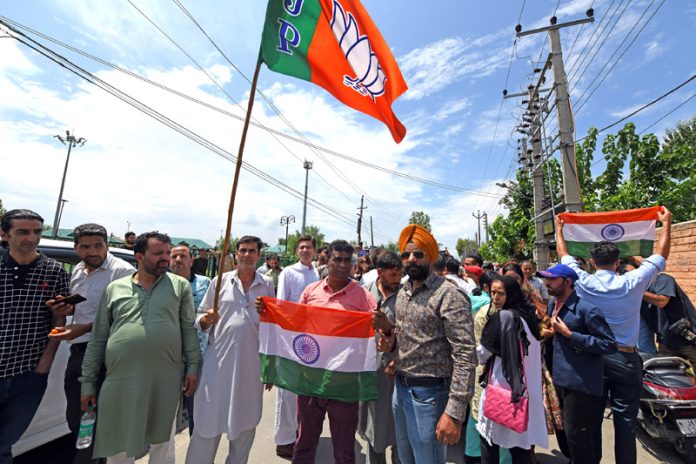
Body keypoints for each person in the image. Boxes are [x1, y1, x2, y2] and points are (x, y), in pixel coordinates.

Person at [555, 207, 672, 464]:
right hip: (626, 359)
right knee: (626, 423)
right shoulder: (633, 282)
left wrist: (559, 228)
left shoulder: (583, 280)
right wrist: (666, 223)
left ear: (593, 262)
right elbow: (661, 255)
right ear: (618, 262)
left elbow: (564, 255)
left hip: (594, 359)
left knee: (593, 420)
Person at [80, 232, 201, 464]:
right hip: (122, 377)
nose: (166, 258)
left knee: (162, 441)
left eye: (167, 252)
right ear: (139, 256)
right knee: (119, 440)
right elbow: (99, 338)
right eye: (158, 253)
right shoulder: (115, 288)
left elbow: (188, 329)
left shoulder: (180, 286)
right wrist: (87, 382)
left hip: (166, 376)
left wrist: (192, 367)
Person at [380, 224, 476, 464]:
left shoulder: (449, 295)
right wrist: (392, 345)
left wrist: (453, 412)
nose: (411, 259)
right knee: (406, 458)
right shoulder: (403, 292)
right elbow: (406, 338)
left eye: (418, 254)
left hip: (430, 396)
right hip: (400, 391)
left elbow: (465, 355)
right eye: (405, 255)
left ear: (431, 256)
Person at [284, 239, 377, 464]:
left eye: (347, 261)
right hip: (311, 378)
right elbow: (296, 324)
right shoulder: (310, 291)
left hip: (344, 382)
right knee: (304, 443)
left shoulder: (363, 297)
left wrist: (382, 324)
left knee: (344, 449)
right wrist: (268, 311)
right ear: (328, 260)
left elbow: (376, 330)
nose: (343, 265)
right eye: (338, 259)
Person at [48, 223, 135, 464]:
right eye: (85, 247)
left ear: (107, 245)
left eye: (98, 245)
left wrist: (83, 328)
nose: (93, 251)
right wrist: (65, 307)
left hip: (105, 353)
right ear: (76, 248)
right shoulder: (78, 270)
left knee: (90, 420)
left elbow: (124, 318)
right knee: (76, 418)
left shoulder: (122, 272)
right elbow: (83, 308)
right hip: (78, 351)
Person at [185, 236, 274, 464]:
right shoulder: (220, 282)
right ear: (235, 254)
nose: (246, 254)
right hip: (218, 363)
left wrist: (270, 366)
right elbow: (200, 318)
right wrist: (206, 320)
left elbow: (273, 327)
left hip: (250, 365)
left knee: (244, 423)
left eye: (251, 251)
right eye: (242, 250)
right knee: (207, 422)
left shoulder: (267, 285)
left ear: (258, 254)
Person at [0, 209, 71, 464]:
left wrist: (45, 363)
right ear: (4, 234)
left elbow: (59, 319)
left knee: (5, 444)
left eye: (37, 232)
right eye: (23, 232)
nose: (32, 238)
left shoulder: (54, 271)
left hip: (28, 373)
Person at [538, 264, 616, 464]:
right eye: (546, 279)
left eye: (552, 279)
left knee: (578, 435)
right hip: (558, 378)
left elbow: (608, 344)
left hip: (580, 382)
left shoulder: (587, 310)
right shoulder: (552, 305)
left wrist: (571, 335)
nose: (547, 283)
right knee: (564, 432)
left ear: (568, 282)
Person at [476, 276, 547, 463]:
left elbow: (482, 355)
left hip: (502, 393)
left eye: (501, 293)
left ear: (512, 294)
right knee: (520, 445)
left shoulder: (502, 317)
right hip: (526, 392)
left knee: (489, 441)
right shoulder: (529, 317)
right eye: (493, 292)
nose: (496, 298)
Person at [272, 235, 320, 458]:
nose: (304, 250)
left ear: (314, 250)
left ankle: (298, 435)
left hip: (311, 339)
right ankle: (284, 441)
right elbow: (281, 305)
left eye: (308, 247)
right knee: (287, 392)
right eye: (301, 247)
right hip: (290, 337)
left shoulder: (315, 272)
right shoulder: (288, 273)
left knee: (304, 391)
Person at [359, 251, 402, 464]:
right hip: (369, 374)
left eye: (399, 275)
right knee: (373, 428)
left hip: (397, 374)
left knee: (399, 433)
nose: (397, 279)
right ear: (379, 272)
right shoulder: (364, 294)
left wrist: (391, 332)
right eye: (393, 275)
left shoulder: (405, 296)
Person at [169, 241, 211, 435]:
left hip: (197, 354)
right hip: (167, 355)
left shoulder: (205, 284)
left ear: (192, 260)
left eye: (183, 256)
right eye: (174, 256)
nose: (178, 260)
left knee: (197, 411)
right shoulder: (161, 284)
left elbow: (209, 315)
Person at [641, 270, 696, 367]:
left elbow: (662, 301)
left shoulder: (663, 279)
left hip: (687, 336)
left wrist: (636, 291)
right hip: (666, 340)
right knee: (671, 373)